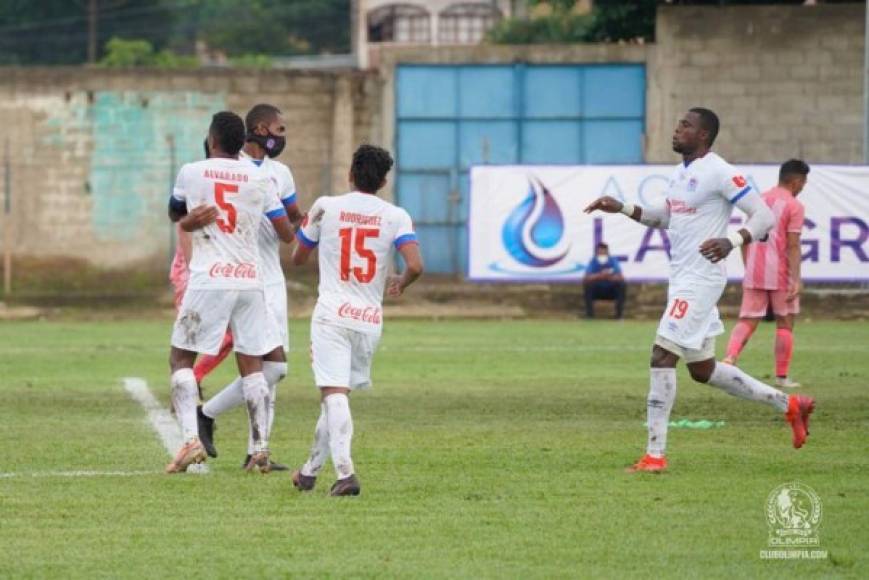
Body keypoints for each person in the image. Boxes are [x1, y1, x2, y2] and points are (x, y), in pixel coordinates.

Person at [584, 107, 815, 473]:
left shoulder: (721, 172)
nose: (677, 130)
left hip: (701, 280)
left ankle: (654, 456)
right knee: (703, 370)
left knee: (662, 355)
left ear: (704, 135)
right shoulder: (681, 174)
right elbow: (663, 217)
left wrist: (732, 240)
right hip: (683, 279)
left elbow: (764, 217)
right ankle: (789, 405)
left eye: (686, 126)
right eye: (678, 124)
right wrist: (623, 207)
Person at [290, 145, 423, 496]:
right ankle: (308, 472)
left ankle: (346, 473)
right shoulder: (396, 215)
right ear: (383, 180)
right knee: (337, 396)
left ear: (350, 174)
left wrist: (311, 231)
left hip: (332, 315)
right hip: (368, 319)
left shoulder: (326, 206)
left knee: (334, 394)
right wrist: (401, 283)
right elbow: (416, 265)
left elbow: (298, 257)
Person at [165, 111, 294, 474]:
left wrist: (191, 220)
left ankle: (191, 439)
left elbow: (176, 212)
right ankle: (260, 450)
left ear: (213, 139)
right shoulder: (261, 178)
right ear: (242, 142)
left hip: (210, 277)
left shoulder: (192, 171)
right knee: (252, 363)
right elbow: (285, 231)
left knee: (181, 359)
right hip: (251, 281)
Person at [196, 104, 304, 471]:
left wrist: (311, 221)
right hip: (240, 277)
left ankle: (257, 451)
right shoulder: (232, 167)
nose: (283, 136)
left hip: (271, 279)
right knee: (269, 368)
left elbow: (293, 217)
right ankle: (209, 415)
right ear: (260, 128)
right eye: (280, 128)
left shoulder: (281, 174)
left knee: (272, 373)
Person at [723, 160, 810, 389]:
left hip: (755, 270)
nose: (802, 188)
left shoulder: (758, 199)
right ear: (796, 181)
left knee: (748, 320)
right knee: (785, 322)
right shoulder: (794, 205)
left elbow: (746, 237)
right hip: (781, 273)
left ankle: (729, 359)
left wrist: (748, 266)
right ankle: (781, 377)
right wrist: (796, 279)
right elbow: (792, 245)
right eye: (803, 183)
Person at [583, 242, 626, 319]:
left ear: (607, 252)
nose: (602, 254)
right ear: (596, 253)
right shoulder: (593, 261)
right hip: (597, 290)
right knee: (588, 285)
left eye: (604, 252)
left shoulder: (613, 261)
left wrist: (608, 276)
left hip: (611, 290)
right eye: (600, 252)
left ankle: (619, 315)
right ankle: (590, 315)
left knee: (621, 285)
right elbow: (587, 277)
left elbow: (621, 277)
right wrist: (600, 275)